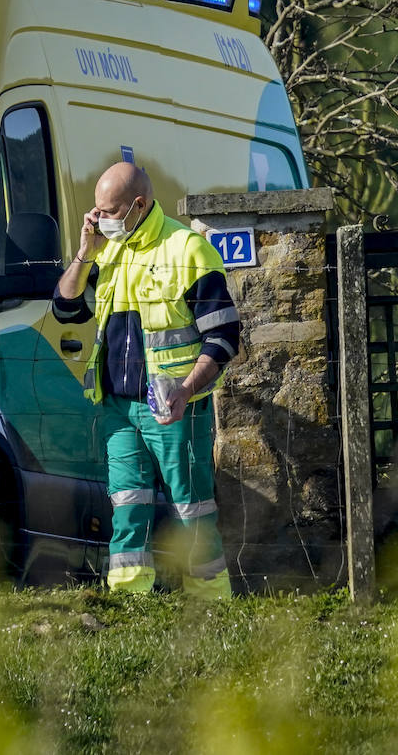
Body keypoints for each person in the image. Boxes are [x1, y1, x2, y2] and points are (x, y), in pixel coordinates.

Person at [51, 161, 239, 599]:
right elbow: (65, 307)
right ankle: (128, 597)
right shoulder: (107, 251)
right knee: (127, 505)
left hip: (177, 408)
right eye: (95, 212)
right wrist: (85, 251)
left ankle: (210, 598)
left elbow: (224, 336)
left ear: (138, 205)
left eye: (108, 212)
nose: (100, 220)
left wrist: (187, 389)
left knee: (192, 509)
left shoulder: (187, 248)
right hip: (119, 407)